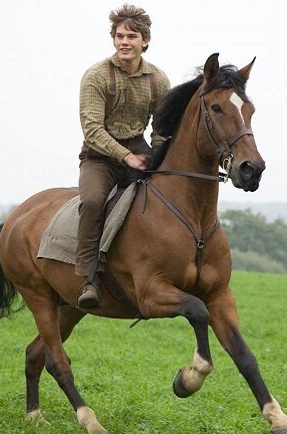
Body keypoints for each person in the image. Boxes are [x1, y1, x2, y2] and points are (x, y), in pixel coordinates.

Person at [76, 4, 171, 308]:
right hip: (98, 156)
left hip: (139, 149)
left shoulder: (158, 80)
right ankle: (88, 279)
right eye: (119, 36)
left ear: (146, 41)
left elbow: (161, 128)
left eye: (131, 36)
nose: (124, 42)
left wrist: (157, 154)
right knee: (92, 202)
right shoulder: (96, 76)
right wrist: (126, 158)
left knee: (166, 197)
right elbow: (92, 130)